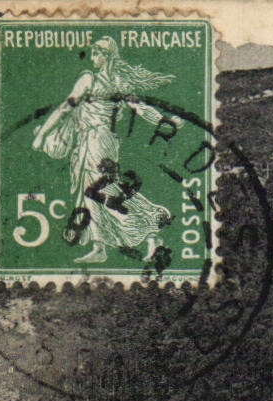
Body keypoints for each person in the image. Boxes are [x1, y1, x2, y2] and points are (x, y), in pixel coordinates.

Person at [31, 38, 176, 264]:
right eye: (92, 54)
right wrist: (163, 121)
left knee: (98, 192)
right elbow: (141, 108)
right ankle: (101, 247)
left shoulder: (89, 79)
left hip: (94, 142)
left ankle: (150, 231)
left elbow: (64, 108)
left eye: (97, 54)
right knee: (99, 193)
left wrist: (41, 136)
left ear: (107, 56)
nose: (92, 58)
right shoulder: (119, 82)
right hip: (106, 142)